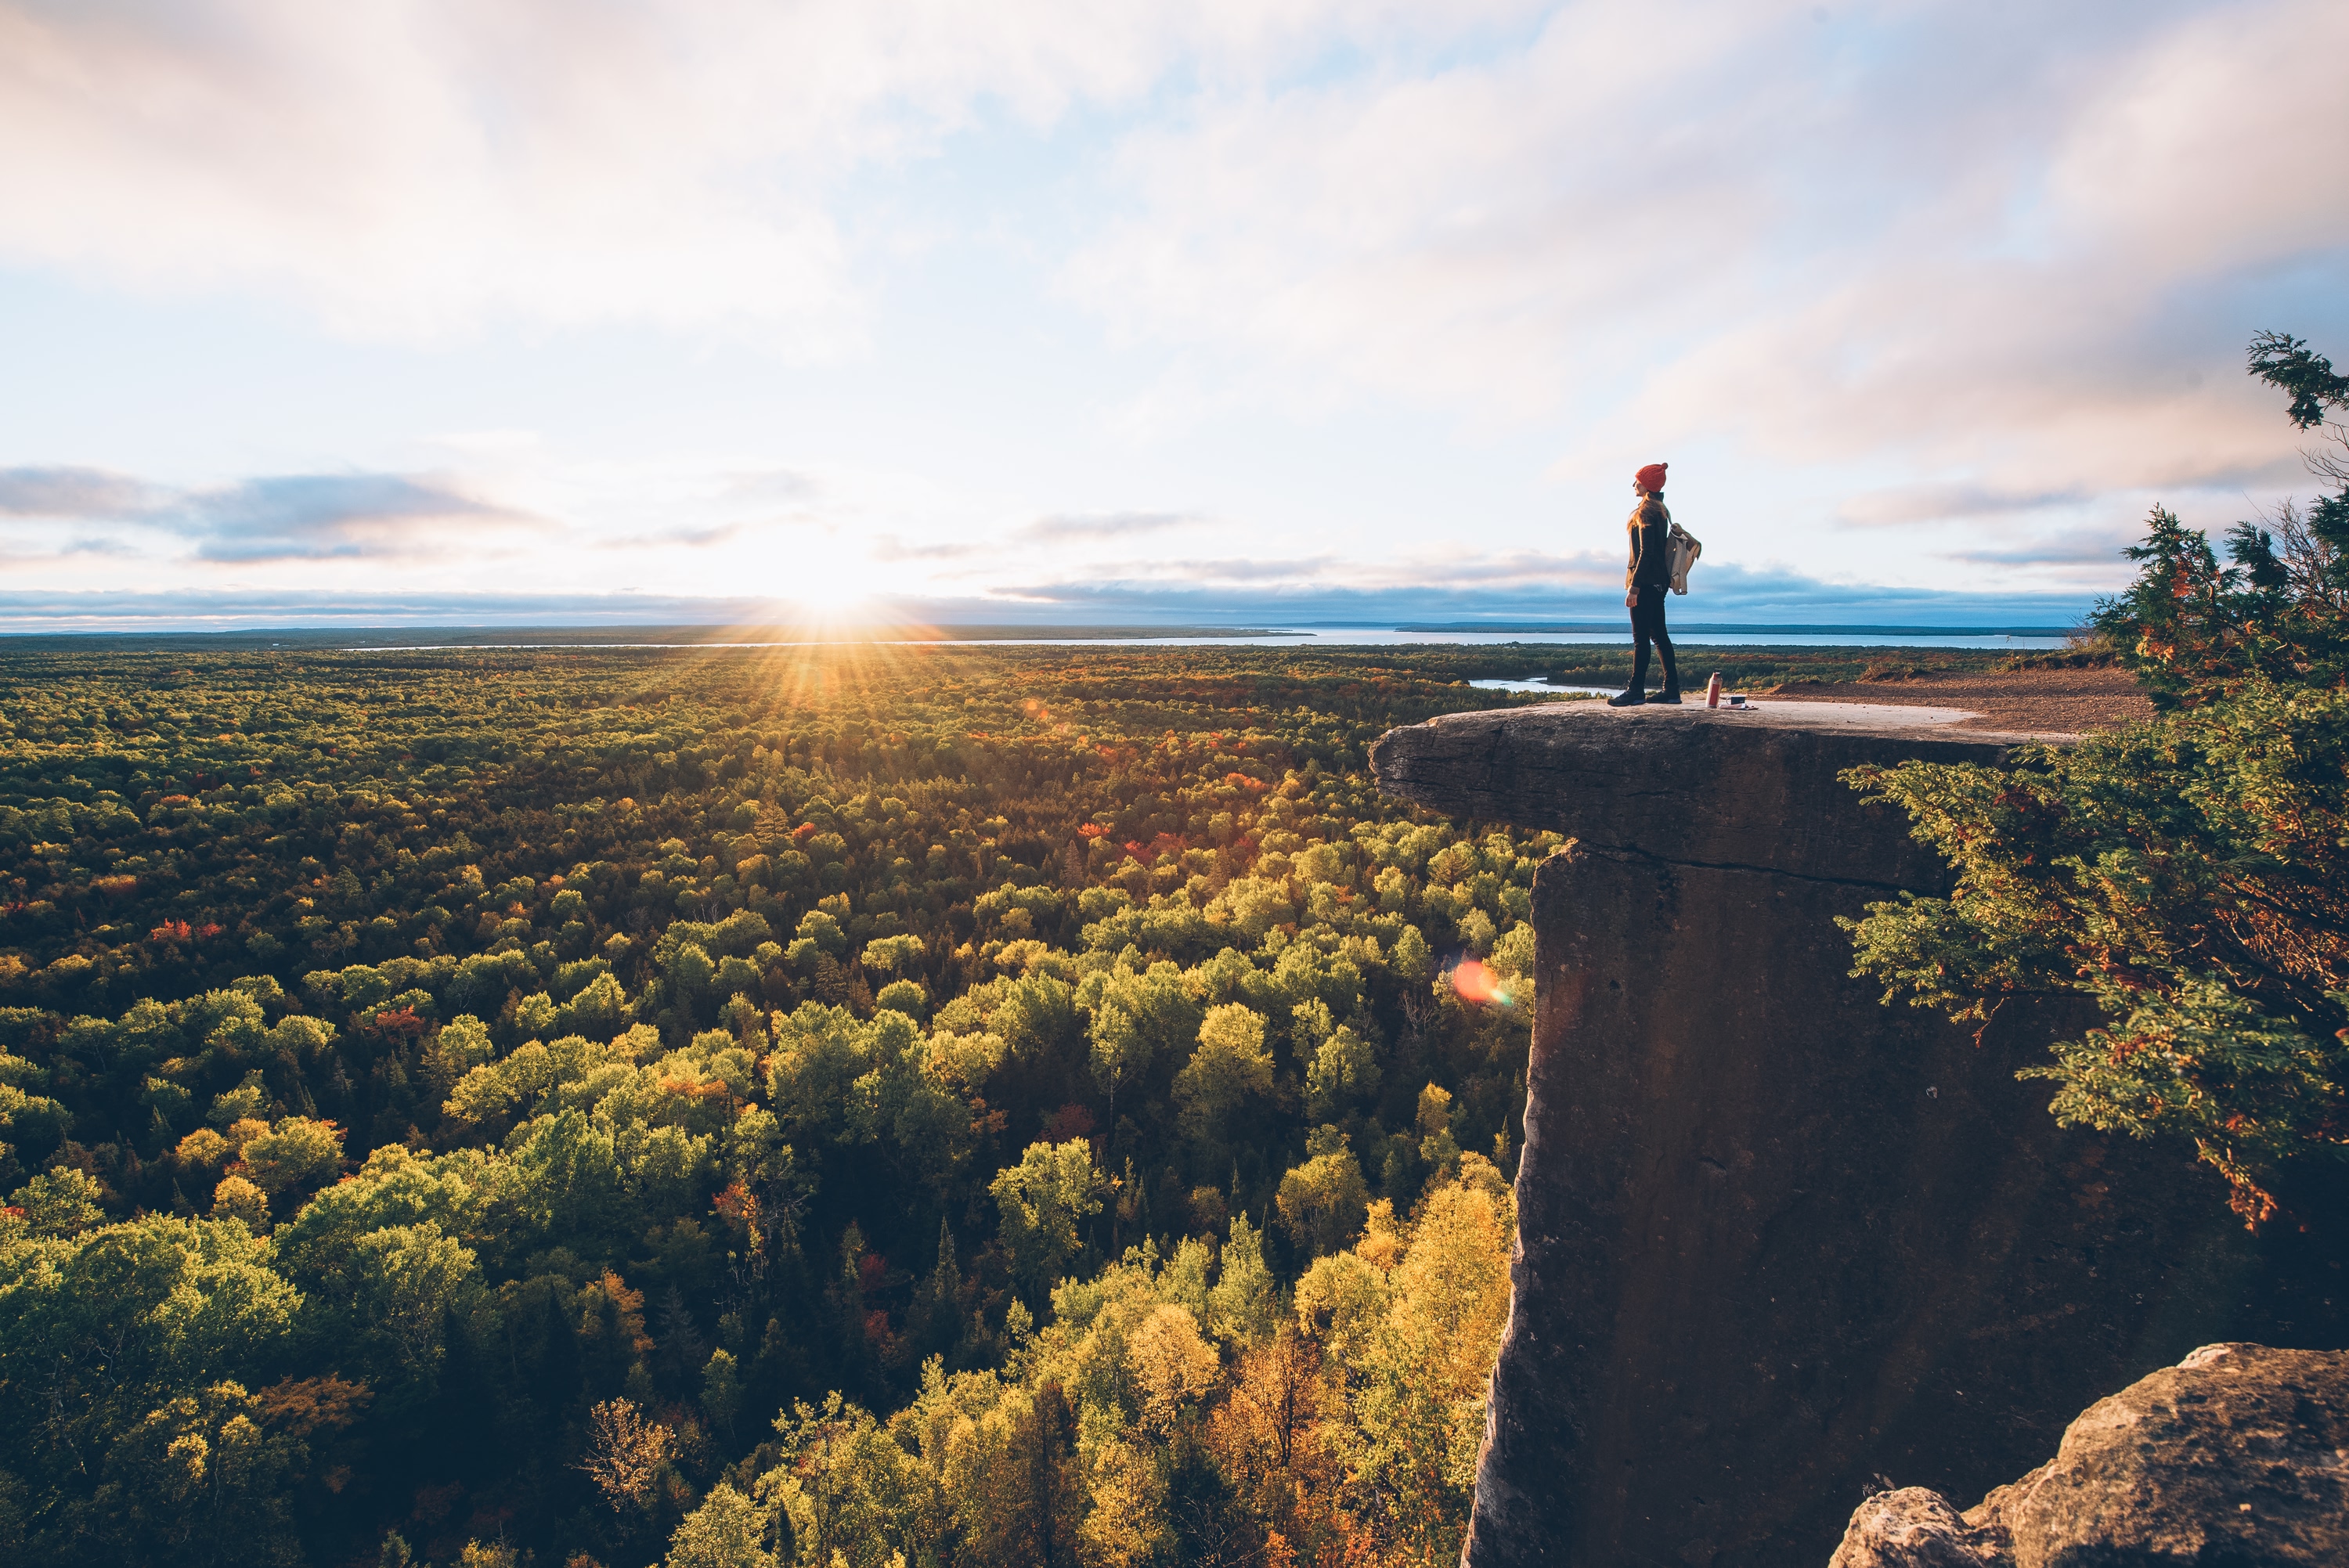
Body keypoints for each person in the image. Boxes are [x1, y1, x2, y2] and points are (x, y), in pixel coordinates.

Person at [1607, 461, 1682, 706]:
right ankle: (1671, 690)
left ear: (1647, 484)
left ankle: (1636, 691)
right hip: (1658, 584)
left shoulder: (1646, 513)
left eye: (1637, 480)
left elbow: (1646, 553)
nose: (1633, 484)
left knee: (1641, 639)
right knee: (1660, 636)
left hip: (1646, 584)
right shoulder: (1660, 510)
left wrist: (1634, 587)